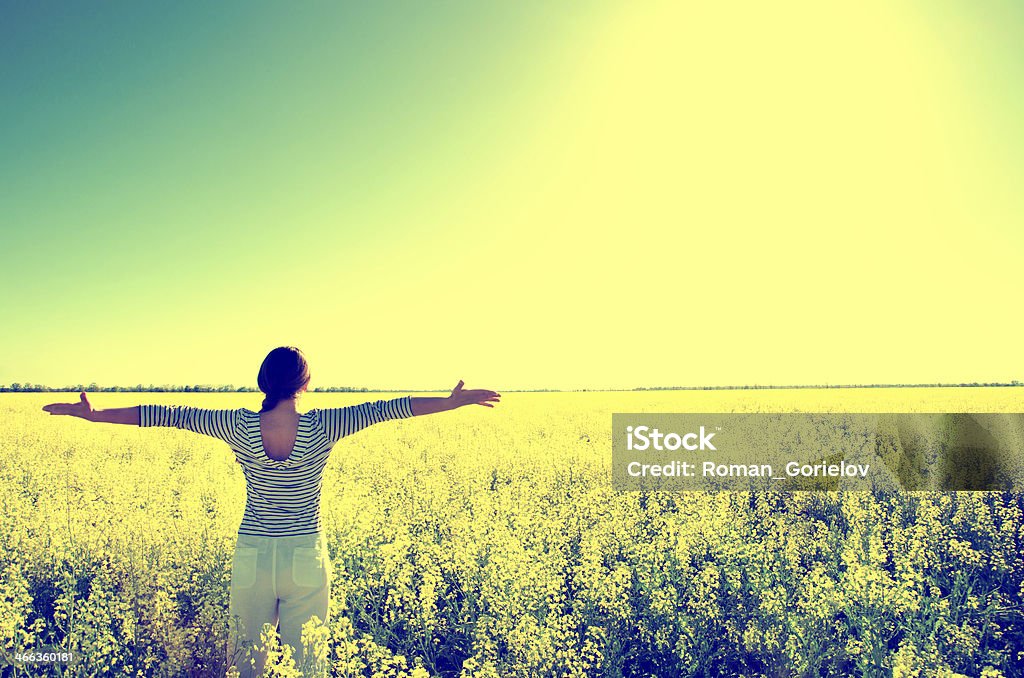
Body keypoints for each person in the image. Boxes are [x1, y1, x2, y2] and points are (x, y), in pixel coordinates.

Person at [42, 346, 501, 676]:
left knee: (246, 664)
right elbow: (389, 408)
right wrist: (448, 402)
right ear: (306, 383)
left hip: (253, 556)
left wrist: (97, 414)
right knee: (308, 664)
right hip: (306, 554)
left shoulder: (235, 423)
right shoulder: (325, 423)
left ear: (264, 382)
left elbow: (167, 413)